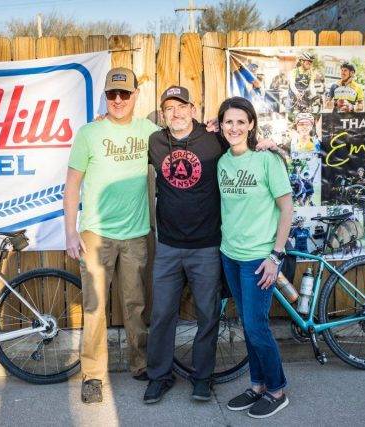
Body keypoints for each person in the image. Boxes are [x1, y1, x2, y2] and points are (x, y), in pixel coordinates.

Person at [64, 67, 158, 404]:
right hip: (95, 236)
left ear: (135, 96)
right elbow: (73, 183)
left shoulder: (150, 131)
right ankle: (92, 375)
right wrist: (70, 231)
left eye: (125, 94)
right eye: (112, 94)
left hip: (136, 236)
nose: (118, 100)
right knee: (95, 307)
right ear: (105, 97)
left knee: (136, 306)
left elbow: (185, 144)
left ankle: (141, 364)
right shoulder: (89, 133)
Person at [143, 86, 224, 404]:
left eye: (180, 106)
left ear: (192, 108)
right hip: (169, 246)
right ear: (162, 114)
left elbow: (245, 143)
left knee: (207, 314)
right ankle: (159, 376)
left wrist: (267, 144)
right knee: (162, 313)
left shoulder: (213, 138)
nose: (174, 113)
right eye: (168, 108)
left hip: (207, 245)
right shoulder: (155, 141)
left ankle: (202, 378)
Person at [217, 97, 293, 419]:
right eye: (227, 122)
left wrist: (275, 256)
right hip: (230, 255)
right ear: (221, 126)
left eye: (240, 121)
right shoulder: (222, 163)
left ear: (251, 125)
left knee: (255, 325)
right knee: (248, 326)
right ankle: (257, 385)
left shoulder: (266, 160)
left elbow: (286, 207)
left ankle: (277, 390)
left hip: (259, 258)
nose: (234, 127)